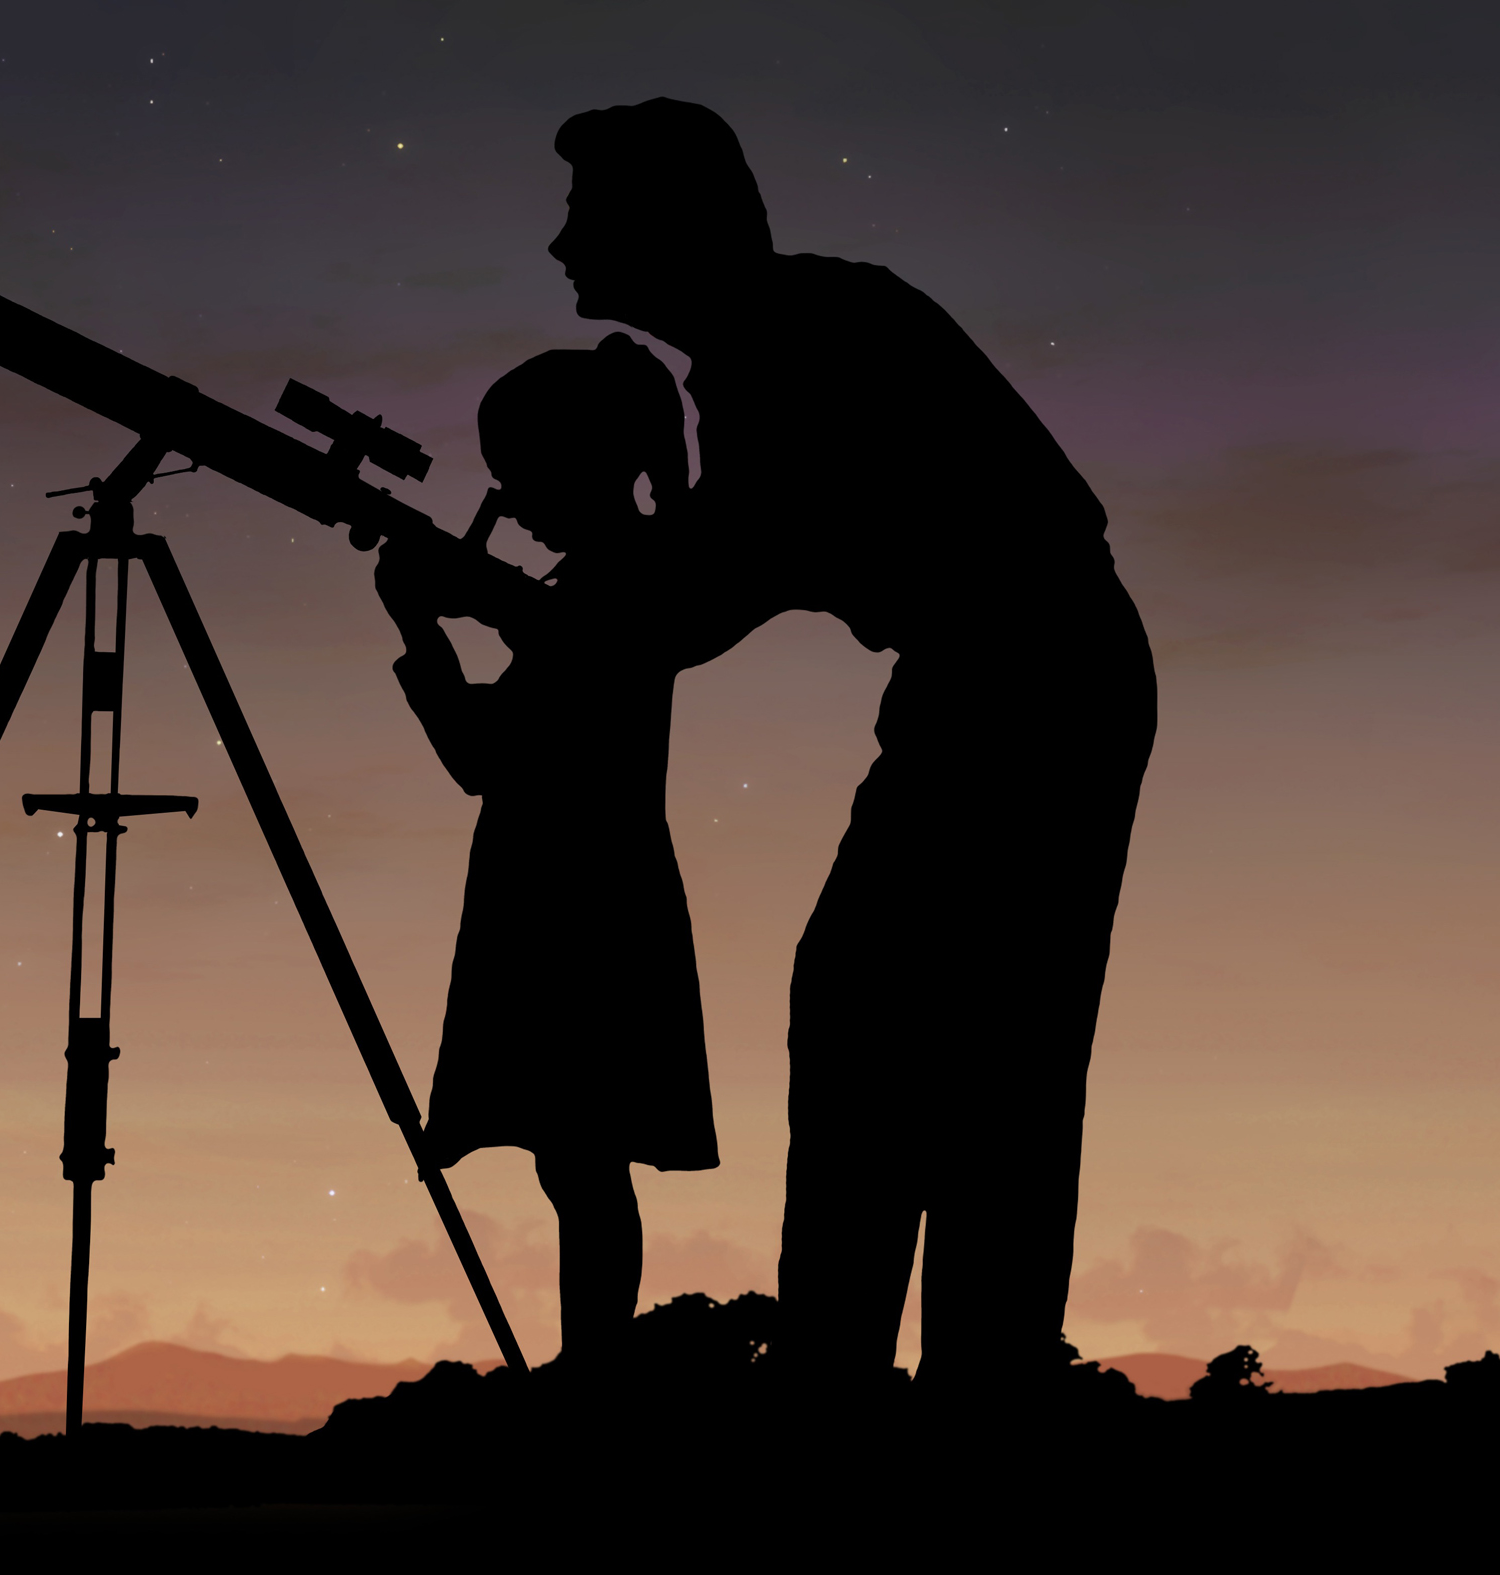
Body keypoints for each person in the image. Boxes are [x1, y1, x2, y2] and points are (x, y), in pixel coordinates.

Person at [543, 98, 1159, 1396]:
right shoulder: (782, 336)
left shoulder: (785, 344)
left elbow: (714, 588)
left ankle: (878, 1386)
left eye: (585, 217)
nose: (560, 248)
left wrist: (580, 591)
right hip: (1012, 675)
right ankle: (920, 1379)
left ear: (666, 224)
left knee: (923, 1033)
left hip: (1026, 679)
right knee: (941, 1037)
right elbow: (724, 566)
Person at [376, 336, 737, 1363]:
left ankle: (592, 1384)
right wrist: (472, 611)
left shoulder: (607, 589)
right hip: (588, 891)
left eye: (520, 478)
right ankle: (593, 1378)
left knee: (580, 1163)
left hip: (574, 900)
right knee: (577, 1164)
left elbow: (484, 755)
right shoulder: (612, 581)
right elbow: (549, 664)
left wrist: (421, 626)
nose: (513, 502)